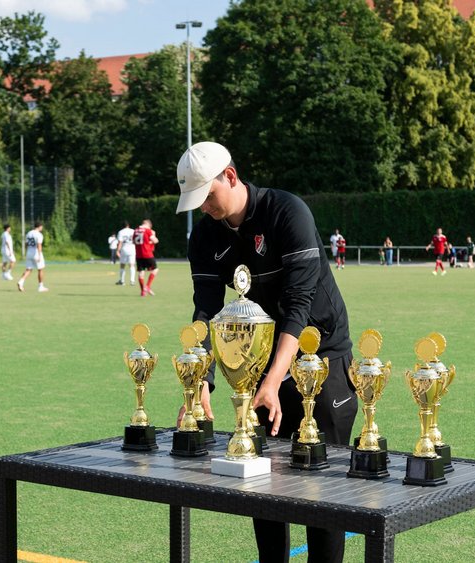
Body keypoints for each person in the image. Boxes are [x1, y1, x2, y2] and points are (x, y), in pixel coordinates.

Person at [176, 141, 356, 563]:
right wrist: (200, 379)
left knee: (321, 490)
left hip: (319, 358)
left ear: (231, 177)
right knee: (264, 485)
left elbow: (299, 303)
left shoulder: (286, 212)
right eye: (196, 201)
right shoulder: (204, 234)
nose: (203, 208)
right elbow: (205, 308)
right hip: (255, 366)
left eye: (208, 196)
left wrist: (276, 379)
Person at [17, 221, 49, 292]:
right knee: (40, 269)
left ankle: (21, 282)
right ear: (39, 226)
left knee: (28, 269)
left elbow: (26, 244)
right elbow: (39, 245)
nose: (42, 228)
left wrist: (26, 253)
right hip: (36, 253)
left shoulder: (29, 233)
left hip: (29, 252)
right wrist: (40, 255)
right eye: (42, 227)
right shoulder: (39, 234)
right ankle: (40, 287)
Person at [133, 219, 159, 297]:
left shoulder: (135, 230)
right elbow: (155, 241)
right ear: (149, 225)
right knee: (155, 269)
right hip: (147, 253)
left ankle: (142, 292)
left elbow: (134, 242)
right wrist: (154, 236)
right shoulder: (148, 230)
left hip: (138, 255)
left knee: (141, 272)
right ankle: (147, 287)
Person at [115, 221, 136, 286]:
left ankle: (122, 281)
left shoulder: (121, 232)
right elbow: (135, 240)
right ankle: (132, 281)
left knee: (122, 265)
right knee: (132, 265)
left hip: (124, 249)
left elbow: (120, 242)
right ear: (128, 225)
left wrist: (118, 250)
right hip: (132, 248)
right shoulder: (133, 231)